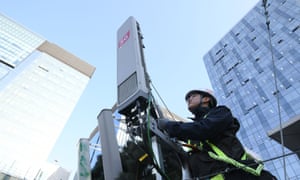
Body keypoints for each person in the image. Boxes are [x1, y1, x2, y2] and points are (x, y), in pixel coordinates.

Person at [158, 89, 276, 179]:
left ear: (206, 99)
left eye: (193, 96)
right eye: (188, 97)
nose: (189, 99)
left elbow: (204, 129)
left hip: (239, 174)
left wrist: (169, 125)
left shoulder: (220, 113)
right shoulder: (193, 132)